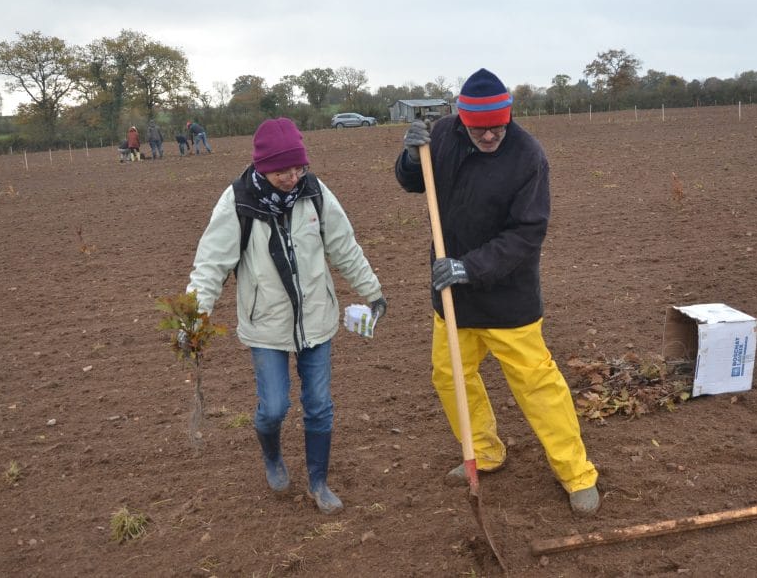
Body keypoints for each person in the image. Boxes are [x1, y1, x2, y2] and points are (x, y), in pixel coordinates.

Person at [394, 68, 600, 516]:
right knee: (450, 376)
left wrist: (470, 267)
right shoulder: (445, 135)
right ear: (464, 121)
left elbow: (528, 233)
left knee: (537, 385)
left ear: (509, 117)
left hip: (508, 298)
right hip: (452, 297)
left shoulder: (528, 157)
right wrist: (412, 158)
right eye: (480, 129)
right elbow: (417, 183)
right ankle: (484, 453)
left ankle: (577, 473)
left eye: (497, 127)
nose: (489, 136)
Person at [183, 117, 386, 515]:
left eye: (298, 168)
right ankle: (273, 456)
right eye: (283, 171)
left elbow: (344, 247)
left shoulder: (315, 193)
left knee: (320, 405)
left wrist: (374, 292)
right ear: (262, 167)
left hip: (317, 320)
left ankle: (318, 482)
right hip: (266, 325)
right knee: (274, 407)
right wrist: (192, 320)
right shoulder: (238, 202)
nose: (293, 177)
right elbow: (209, 267)